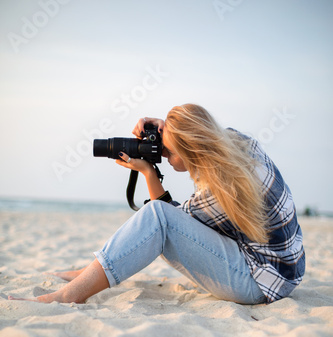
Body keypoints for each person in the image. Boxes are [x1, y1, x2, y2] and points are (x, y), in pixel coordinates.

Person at [9, 104, 305, 305]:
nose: (162, 154)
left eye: (166, 150)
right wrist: (166, 126)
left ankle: (67, 295)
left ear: (190, 151)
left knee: (156, 216)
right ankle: (90, 272)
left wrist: (149, 173)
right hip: (283, 270)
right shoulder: (241, 143)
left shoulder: (218, 191)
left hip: (260, 282)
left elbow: (166, 221)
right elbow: (195, 135)